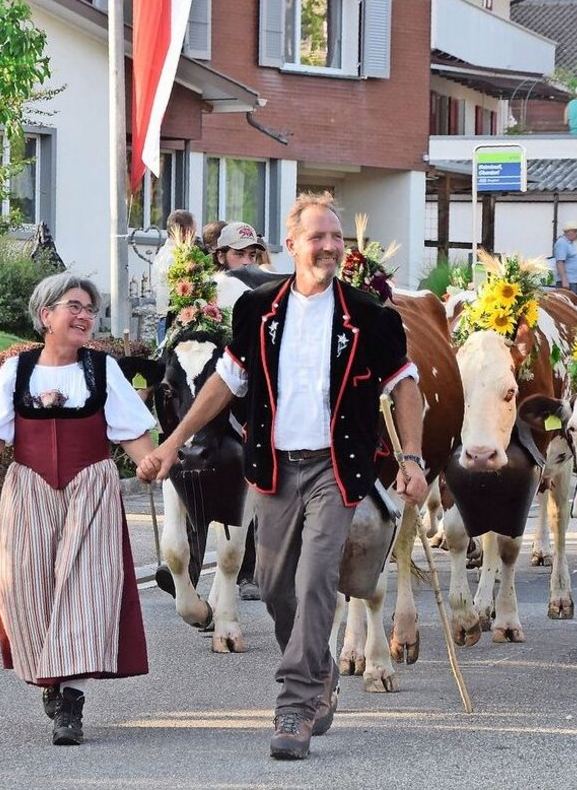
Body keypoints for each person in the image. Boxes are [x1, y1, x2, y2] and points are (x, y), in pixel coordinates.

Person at [138, 192, 428, 761]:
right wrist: (172, 443)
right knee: (272, 587)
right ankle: (320, 672)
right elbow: (227, 383)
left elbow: (405, 386)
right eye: (317, 238)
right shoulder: (259, 310)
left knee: (317, 577)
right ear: (292, 244)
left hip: (336, 468)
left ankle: (294, 704)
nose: (329, 247)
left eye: (336, 238)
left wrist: (413, 458)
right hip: (272, 468)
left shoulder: (369, 315)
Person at [0, 273, 157, 746]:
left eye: (91, 309)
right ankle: (48, 676)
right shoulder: (16, 371)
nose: (85, 316)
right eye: (75, 306)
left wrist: (151, 460)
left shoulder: (102, 370)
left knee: (85, 590)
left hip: (91, 489)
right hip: (29, 487)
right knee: (18, 583)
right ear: (46, 315)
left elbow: (134, 436)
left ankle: (71, 701)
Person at [212, 220, 269, 601]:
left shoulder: (266, 292)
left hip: (248, 399)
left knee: (254, 477)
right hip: (210, 397)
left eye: (252, 254)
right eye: (240, 254)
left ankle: (250, 568)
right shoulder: (201, 294)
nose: (247, 262)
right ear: (221, 256)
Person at [151, 209, 195, 344]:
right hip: (174, 321)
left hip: (163, 318)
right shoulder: (178, 256)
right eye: (193, 231)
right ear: (184, 231)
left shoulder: (162, 253)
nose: (194, 237)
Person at [553, 224, 577, 295]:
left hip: (574, 281)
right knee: (566, 303)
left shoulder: (570, 243)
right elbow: (560, 262)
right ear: (569, 232)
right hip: (568, 282)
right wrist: (564, 280)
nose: (576, 234)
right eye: (575, 231)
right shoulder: (562, 243)